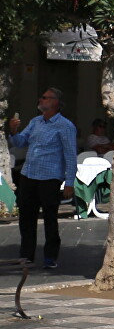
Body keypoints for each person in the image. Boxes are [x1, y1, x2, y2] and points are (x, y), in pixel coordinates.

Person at [8, 88, 77, 269]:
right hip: (29, 175)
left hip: (50, 177)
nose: (41, 100)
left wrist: (69, 182)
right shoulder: (36, 121)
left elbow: (70, 155)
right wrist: (14, 132)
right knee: (26, 217)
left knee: (50, 218)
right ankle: (27, 255)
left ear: (55, 102)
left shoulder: (65, 126)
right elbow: (21, 142)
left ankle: (50, 256)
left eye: (45, 98)